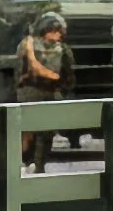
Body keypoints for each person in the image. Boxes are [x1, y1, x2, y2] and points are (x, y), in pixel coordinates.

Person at [14, 10, 74, 170]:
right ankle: (35, 164)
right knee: (40, 133)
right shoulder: (60, 49)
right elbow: (68, 75)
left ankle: (32, 163)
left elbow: (19, 71)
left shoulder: (28, 45)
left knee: (36, 132)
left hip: (36, 94)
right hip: (42, 94)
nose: (58, 35)